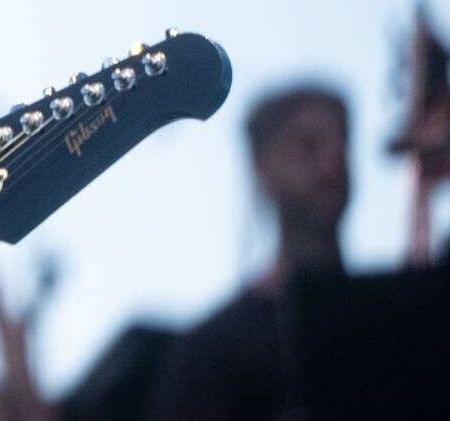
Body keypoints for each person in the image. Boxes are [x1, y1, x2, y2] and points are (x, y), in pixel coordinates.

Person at [147, 84, 351, 421]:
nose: (333, 164)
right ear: (262, 166)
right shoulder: (214, 348)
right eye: (308, 145)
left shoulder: (386, 325)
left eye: (342, 143)